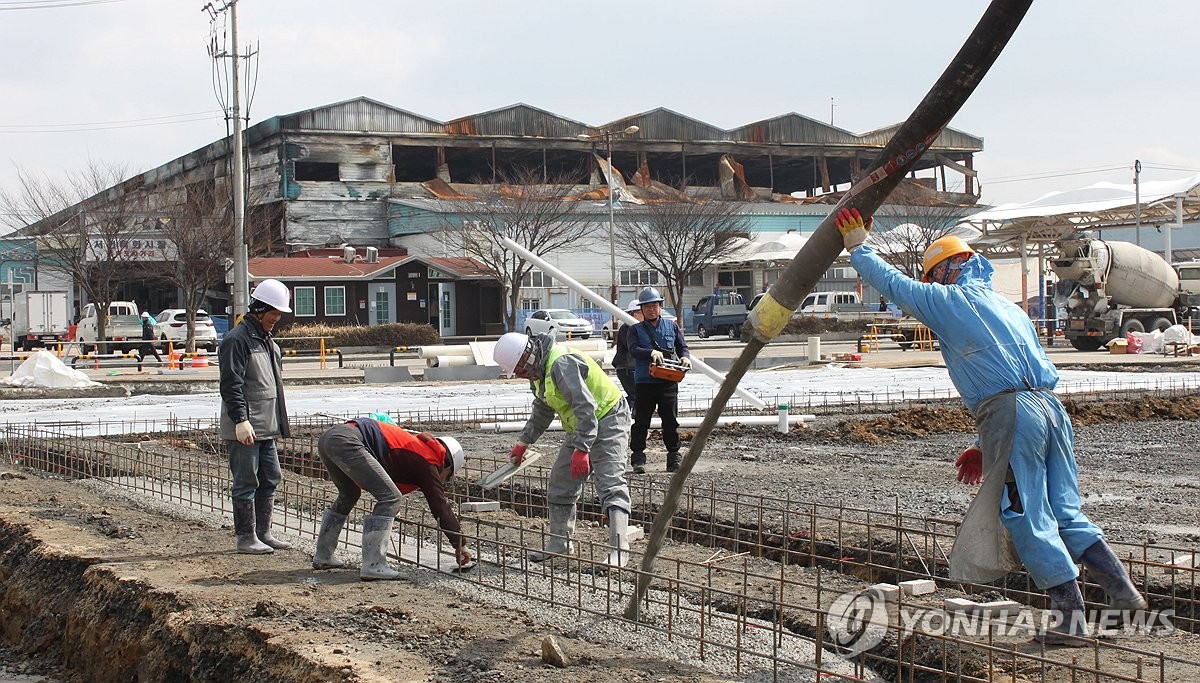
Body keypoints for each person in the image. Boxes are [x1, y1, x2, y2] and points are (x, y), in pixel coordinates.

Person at [835, 208, 1147, 647]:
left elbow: (895, 286)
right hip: (1050, 410)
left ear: (945, 270)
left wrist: (859, 248)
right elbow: (1010, 369)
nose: (931, 284)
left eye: (934, 275)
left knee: (1024, 512)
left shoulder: (950, 301)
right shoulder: (1007, 306)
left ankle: (1071, 618)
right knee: (1064, 509)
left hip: (1011, 413)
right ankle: (1122, 592)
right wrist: (988, 444)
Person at [493, 331, 633, 568]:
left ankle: (620, 550)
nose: (521, 375)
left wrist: (582, 449)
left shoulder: (561, 363)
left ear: (526, 358)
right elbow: (544, 408)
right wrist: (524, 442)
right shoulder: (539, 370)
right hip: (582, 424)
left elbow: (586, 406)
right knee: (561, 482)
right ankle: (560, 542)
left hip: (608, 417)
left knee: (610, 483)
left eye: (520, 370)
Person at [312, 417, 472, 579]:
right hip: (347, 441)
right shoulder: (428, 460)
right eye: (448, 476)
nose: (443, 480)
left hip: (329, 438)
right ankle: (374, 565)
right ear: (447, 465)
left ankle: (324, 555)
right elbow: (439, 505)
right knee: (390, 497)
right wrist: (460, 544)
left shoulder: (416, 447)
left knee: (349, 495)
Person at [218, 279, 293, 555]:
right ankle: (246, 537)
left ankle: (263, 532)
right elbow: (231, 384)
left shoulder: (267, 341)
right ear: (260, 309)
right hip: (246, 427)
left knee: (271, 476)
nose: (277, 318)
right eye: (274, 313)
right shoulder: (237, 340)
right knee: (246, 480)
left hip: (266, 425)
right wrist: (240, 420)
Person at [627, 286, 691, 474]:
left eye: (655, 305)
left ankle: (673, 457)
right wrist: (650, 352)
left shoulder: (672, 326)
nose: (651, 309)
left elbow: (682, 347)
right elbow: (633, 350)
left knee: (670, 421)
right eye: (647, 306)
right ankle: (638, 458)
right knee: (641, 421)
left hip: (668, 381)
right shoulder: (635, 330)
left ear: (660, 307)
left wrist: (685, 357)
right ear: (642, 309)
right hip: (645, 383)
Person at [611, 298, 644, 416]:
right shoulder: (626, 328)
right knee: (635, 395)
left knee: (637, 396)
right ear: (634, 314)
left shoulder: (640, 328)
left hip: (632, 368)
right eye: (641, 312)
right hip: (627, 368)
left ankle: (628, 416)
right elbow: (632, 347)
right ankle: (628, 417)